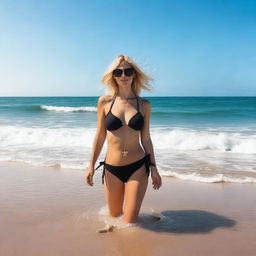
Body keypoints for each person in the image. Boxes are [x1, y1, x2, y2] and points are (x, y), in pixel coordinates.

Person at [85, 54, 162, 224]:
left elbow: (146, 138)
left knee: (130, 222)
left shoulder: (144, 105)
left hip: (138, 167)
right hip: (112, 169)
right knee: (114, 218)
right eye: (118, 72)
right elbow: (100, 135)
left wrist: (154, 169)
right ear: (113, 76)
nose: (123, 76)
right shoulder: (104, 102)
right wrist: (91, 165)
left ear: (134, 74)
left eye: (128, 71)